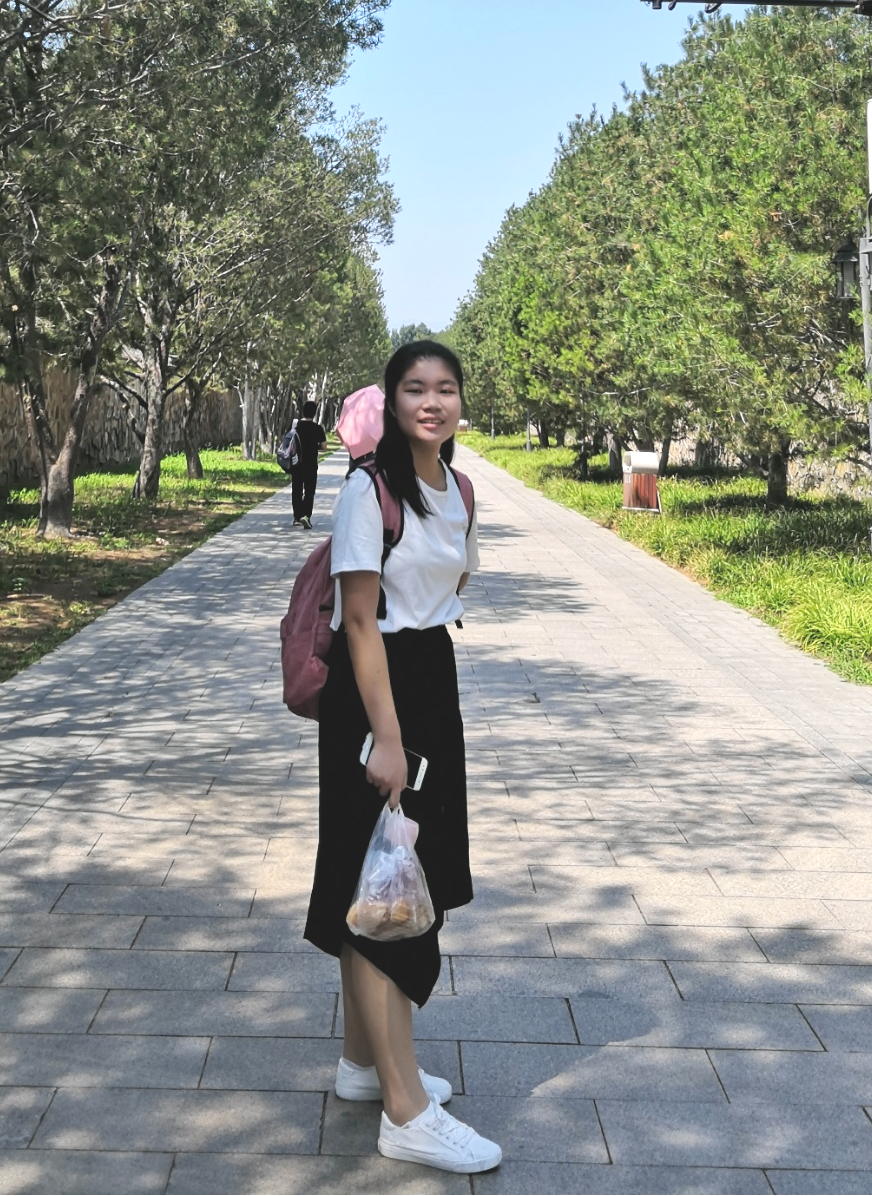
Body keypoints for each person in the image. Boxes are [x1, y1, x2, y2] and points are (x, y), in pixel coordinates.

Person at [302, 340, 502, 1175]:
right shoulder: (367, 488)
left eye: (445, 388)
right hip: (376, 693)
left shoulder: (457, 487)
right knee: (386, 891)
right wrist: (385, 736)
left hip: (428, 679)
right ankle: (406, 1110)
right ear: (389, 402)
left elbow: (447, 592)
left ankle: (364, 1064)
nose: (431, 401)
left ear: (459, 402)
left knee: (383, 874)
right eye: (414, 388)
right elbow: (359, 619)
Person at [290, 401, 326, 524]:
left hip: (296, 463)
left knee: (297, 490)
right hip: (311, 464)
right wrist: (315, 446)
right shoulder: (317, 428)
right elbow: (324, 446)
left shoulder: (296, 426)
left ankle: (297, 517)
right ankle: (306, 516)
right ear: (315, 413)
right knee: (309, 491)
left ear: (303, 411)